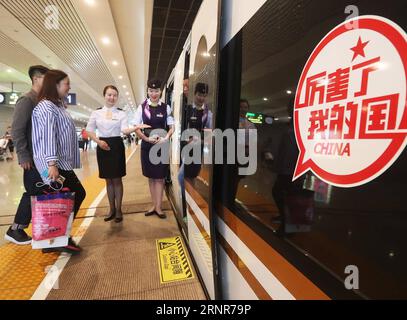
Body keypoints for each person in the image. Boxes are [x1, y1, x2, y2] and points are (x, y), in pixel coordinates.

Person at [32, 69, 86, 254]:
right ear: (55, 85)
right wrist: (51, 164)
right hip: (55, 165)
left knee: (62, 200)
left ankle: (55, 238)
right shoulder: (47, 107)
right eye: (66, 83)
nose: (69, 87)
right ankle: (59, 238)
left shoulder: (57, 106)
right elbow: (48, 137)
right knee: (70, 197)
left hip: (60, 163)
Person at [4, 65, 49, 245]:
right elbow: (17, 130)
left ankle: (35, 226)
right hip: (32, 158)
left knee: (38, 191)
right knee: (33, 191)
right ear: (36, 79)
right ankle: (15, 229)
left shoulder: (40, 100)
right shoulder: (27, 99)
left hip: (41, 157)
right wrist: (23, 155)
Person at [86, 85, 145, 223]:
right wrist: (98, 142)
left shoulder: (121, 113)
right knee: (108, 180)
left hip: (116, 146)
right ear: (104, 95)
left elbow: (124, 131)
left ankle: (119, 209)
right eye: (109, 95)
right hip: (102, 145)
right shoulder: (96, 113)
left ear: (117, 97)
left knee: (117, 180)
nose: (112, 97)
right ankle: (111, 209)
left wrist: (136, 127)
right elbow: (89, 130)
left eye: (114, 95)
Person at [133, 79, 174, 219]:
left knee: (160, 178)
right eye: (151, 91)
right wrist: (145, 139)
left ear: (161, 91)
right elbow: (136, 127)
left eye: (156, 91)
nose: (154, 93)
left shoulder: (166, 107)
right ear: (148, 91)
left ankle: (159, 207)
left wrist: (166, 137)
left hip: (161, 146)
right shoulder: (142, 107)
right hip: (147, 146)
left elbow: (171, 127)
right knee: (151, 178)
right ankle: (154, 205)